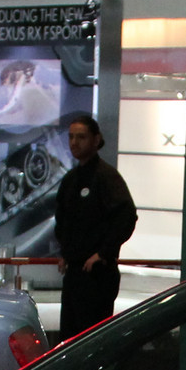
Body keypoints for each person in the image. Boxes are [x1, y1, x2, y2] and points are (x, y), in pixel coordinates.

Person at [53, 113, 136, 338]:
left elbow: (126, 216)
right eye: (71, 137)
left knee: (93, 338)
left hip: (97, 274)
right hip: (74, 273)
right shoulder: (70, 180)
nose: (74, 143)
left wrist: (103, 253)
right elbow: (62, 219)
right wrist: (64, 251)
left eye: (81, 137)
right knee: (69, 338)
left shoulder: (106, 178)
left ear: (96, 140)